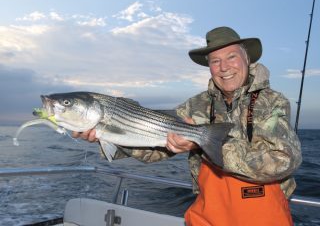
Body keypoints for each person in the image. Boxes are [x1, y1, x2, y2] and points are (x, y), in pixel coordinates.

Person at [73, 26, 302, 226]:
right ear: (209, 67)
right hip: (208, 216)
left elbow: (283, 161)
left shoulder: (272, 102)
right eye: (215, 61)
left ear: (246, 59)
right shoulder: (195, 106)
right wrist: (110, 135)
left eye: (231, 57)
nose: (224, 67)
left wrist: (203, 145)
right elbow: (154, 148)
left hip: (263, 218)